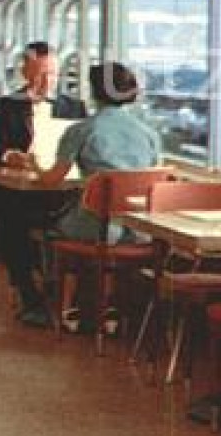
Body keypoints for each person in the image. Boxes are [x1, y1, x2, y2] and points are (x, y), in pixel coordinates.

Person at [14, 61, 162, 334]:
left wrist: (34, 163)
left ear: (93, 92)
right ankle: (110, 309)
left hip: (94, 224)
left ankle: (59, 309)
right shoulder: (149, 134)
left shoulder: (81, 130)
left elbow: (51, 180)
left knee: (51, 232)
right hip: (138, 230)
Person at [0, 42, 88, 328]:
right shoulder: (2, 107)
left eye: (52, 74)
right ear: (25, 71)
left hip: (63, 193)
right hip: (17, 193)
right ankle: (30, 293)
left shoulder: (75, 107)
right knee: (11, 220)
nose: (47, 82)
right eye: (41, 74)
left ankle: (67, 298)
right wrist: (9, 156)